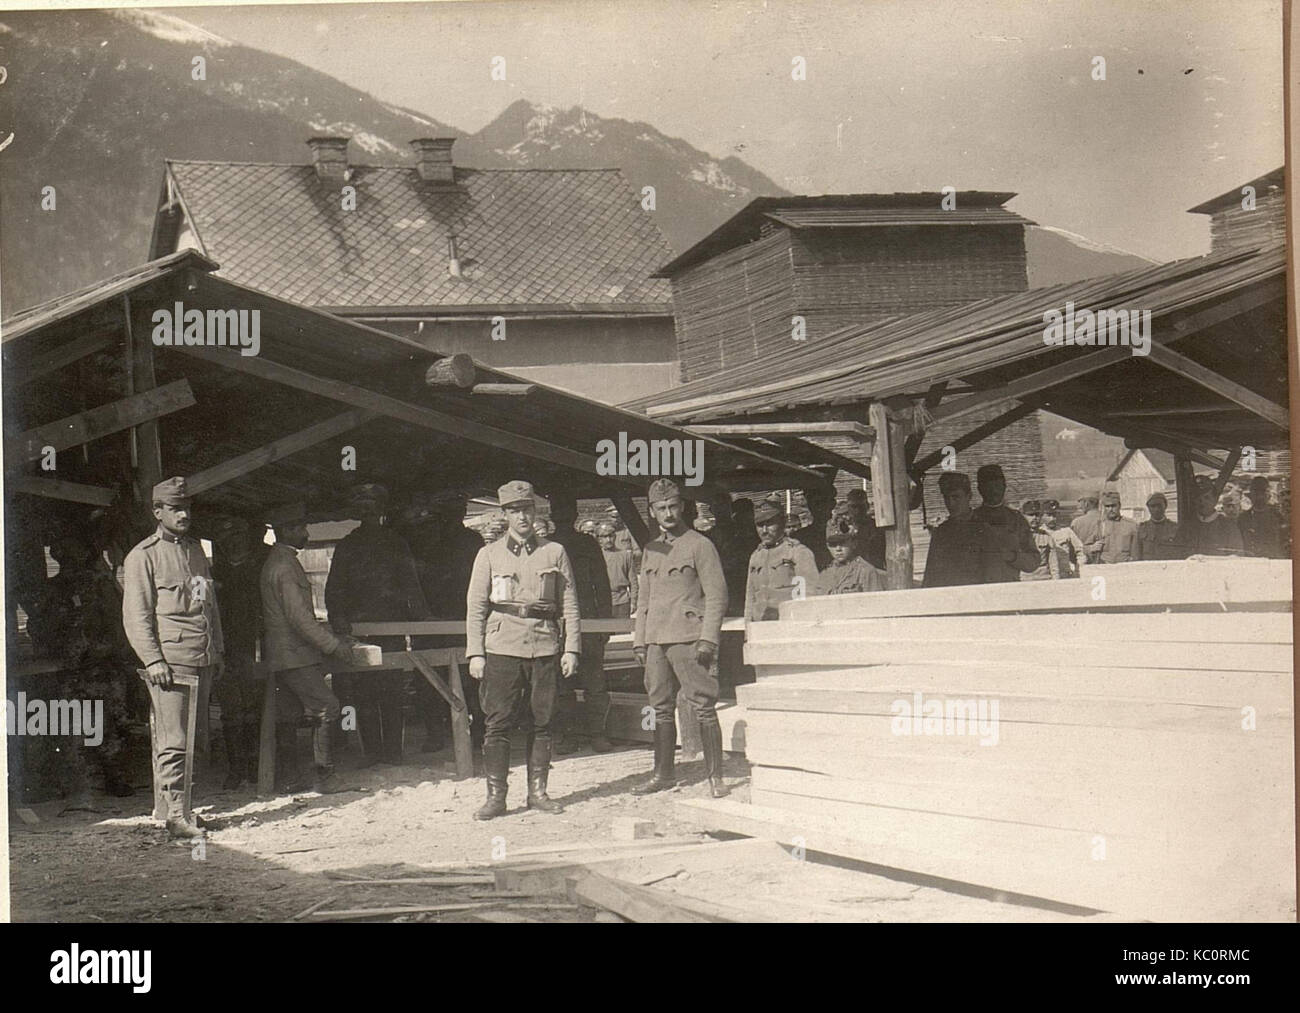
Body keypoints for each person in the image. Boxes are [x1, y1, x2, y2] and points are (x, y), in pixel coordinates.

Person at [465, 480, 580, 819]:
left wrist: (571, 648)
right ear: (505, 515)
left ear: (535, 511)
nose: (522, 517)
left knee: (543, 721)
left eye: (527, 509)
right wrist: (476, 652)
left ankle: (538, 793)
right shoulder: (488, 554)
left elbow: (570, 604)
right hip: (502, 646)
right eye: (514, 511)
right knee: (497, 723)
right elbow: (476, 607)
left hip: (544, 645)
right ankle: (496, 797)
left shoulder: (554, 552)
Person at [122, 477, 224, 840]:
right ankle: (176, 815)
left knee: (196, 738)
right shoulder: (143, 556)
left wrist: (218, 650)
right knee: (174, 739)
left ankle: (183, 809)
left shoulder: (195, 551)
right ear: (157, 511)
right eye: (175, 509)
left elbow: (209, 608)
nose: (183, 515)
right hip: (172, 661)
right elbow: (136, 616)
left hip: (201, 656)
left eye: (187, 508)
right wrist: (153, 661)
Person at [631, 479, 729, 798]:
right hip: (656, 640)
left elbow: (717, 596)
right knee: (659, 707)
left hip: (689, 637)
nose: (668, 513)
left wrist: (708, 639)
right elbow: (644, 599)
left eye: (673, 506)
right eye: (661, 508)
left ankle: (716, 777)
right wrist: (640, 640)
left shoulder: (700, 545)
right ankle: (663, 774)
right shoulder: (652, 549)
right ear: (652, 511)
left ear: (682, 506)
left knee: (703, 705)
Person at [325, 483, 431, 767]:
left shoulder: (396, 543)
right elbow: (334, 589)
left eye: (372, 509)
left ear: (381, 510)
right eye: (364, 509)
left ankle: (393, 752)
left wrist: (421, 620)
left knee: (391, 690)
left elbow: (411, 585)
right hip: (359, 631)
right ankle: (373, 752)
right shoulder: (348, 546)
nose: (369, 514)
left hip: (391, 629)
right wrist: (339, 619)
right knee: (364, 692)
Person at [261, 502, 355, 794]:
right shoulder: (284, 566)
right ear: (287, 530)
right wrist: (333, 645)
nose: (306, 533)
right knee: (328, 706)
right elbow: (300, 619)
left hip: (286, 655)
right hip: (295, 655)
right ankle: (324, 777)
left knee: (289, 716)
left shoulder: (280, 561)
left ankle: (289, 780)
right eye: (301, 528)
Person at [35, 533, 136, 799]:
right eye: (63, 552)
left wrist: (113, 652)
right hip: (71, 670)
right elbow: (39, 626)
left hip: (102, 667)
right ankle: (83, 782)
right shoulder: (54, 589)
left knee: (110, 726)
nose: (70, 557)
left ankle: (114, 777)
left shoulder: (101, 585)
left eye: (74, 551)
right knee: (72, 728)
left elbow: (119, 621)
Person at [549, 490, 614, 755]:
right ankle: (568, 736)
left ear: (574, 514)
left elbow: (602, 584)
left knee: (595, 682)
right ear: (552, 515)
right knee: (561, 684)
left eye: (567, 512)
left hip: (588, 621)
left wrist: (605, 624)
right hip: (557, 623)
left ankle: (598, 734)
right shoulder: (546, 546)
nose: (563, 517)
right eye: (558, 512)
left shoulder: (588, 544)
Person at [209, 515, 270, 790]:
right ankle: (236, 769)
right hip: (225, 650)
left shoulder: (261, 569)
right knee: (231, 711)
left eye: (238, 537)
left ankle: (257, 766)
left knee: (255, 708)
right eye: (227, 540)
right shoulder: (214, 574)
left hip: (255, 648)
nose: (234, 544)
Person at [745, 499, 820, 621]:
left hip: (788, 623)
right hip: (760, 624)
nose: (764, 530)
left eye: (770, 524)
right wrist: (748, 626)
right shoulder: (756, 556)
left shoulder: (797, 552)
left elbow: (810, 594)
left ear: (782, 523)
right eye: (760, 525)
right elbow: (750, 597)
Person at [922, 472, 995, 587]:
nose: (950, 503)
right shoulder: (941, 532)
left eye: (956, 497)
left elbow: (994, 575)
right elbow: (930, 576)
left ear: (969, 496)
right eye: (946, 498)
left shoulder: (984, 530)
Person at [971, 465, 1039, 582]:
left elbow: (1033, 561)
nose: (994, 492)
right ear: (980, 489)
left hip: (1009, 586)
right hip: (980, 587)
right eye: (989, 487)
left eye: (997, 486)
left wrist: (1013, 556)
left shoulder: (1016, 520)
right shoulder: (971, 520)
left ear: (1004, 487)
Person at [815, 528, 886, 595]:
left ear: (854, 544)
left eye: (843, 543)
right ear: (828, 546)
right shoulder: (825, 574)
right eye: (833, 544)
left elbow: (877, 601)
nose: (838, 549)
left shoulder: (866, 571)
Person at [1186, 477, 1245, 555]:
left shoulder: (1228, 527)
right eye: (1198, 499)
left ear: (1215, 500)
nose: (1202, 502)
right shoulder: (1187, 527)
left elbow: (1237, 557)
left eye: (1207, 498)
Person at [598, 521, 638, 618]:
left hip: (622, 601)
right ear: (599, 539)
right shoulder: (597, 556)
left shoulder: (626, 555)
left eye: (611, 536)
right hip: (603, 601)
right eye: (604, 537)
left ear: (615, 537)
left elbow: (633, 582)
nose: (608, 539)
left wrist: (633, 602)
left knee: (622, 627)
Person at [1038, 500, 1088, 578]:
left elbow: (1081, 551)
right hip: (1047, 576)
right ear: (1042, 516)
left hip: (1065, 574)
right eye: (1048, 515)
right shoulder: (1039, 534)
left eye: (1054, 515)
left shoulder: (1066, 531)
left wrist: (1077, 569)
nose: (1052, 518)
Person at [1239, 476, 1284, 558]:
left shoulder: (1277, 516)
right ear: (1251, 496)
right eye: (1256, 494)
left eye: (1263, 493)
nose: (1260, 497)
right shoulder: (1243, 518)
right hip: (1250, 560)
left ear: (1268, 496)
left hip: (1273, 560)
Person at [1089, 491, 1140, 563]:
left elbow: (1136, 552)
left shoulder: (1132, 525)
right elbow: (1084, 548)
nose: (1110, 509)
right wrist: (1092, 548)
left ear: (1119, 506)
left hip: (1125, 565)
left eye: (1113, 506)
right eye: (1107, 506)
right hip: (1104, 565)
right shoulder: (1099, 525)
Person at [793, 486, 836, 570]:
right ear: (809, 505)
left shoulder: (844, 532)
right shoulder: (800, 537)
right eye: (816, 504)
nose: (820, 508)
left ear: (832, 504)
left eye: (824, 502)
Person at [1136, 492, 1186, 561]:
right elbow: (1138, 555)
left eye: (1159, 506)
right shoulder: (1142, 529)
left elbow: (1180, 554)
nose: (1156, 509)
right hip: (1148, 566)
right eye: (1153, 506)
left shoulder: (1175, 528)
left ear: (1165, 506)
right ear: (1148, 508)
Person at [1072, 497, 1102, 561]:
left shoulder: (1077, 522)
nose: (1079, 507)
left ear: (1086, 504)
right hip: (1107, 563)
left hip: (1084, 562)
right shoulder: (1107, 519)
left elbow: (1072, 548)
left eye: (1080, 504)